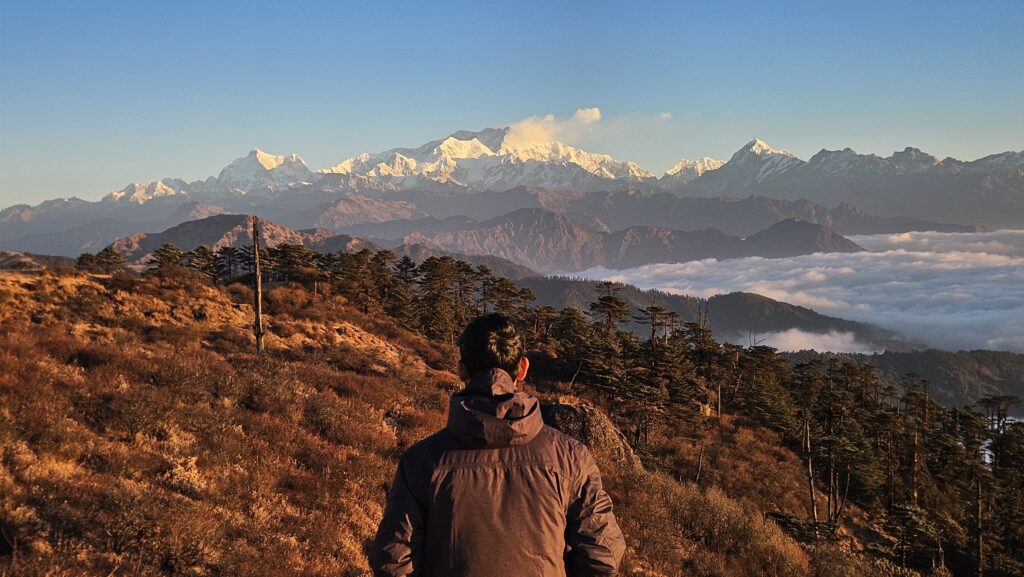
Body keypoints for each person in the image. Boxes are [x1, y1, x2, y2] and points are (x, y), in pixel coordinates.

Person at [371, 313, 626, 577]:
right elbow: (602, 556)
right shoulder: (571, 457)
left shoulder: (420, 461)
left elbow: (394, 563)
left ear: (461, 370)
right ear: (523, 368)